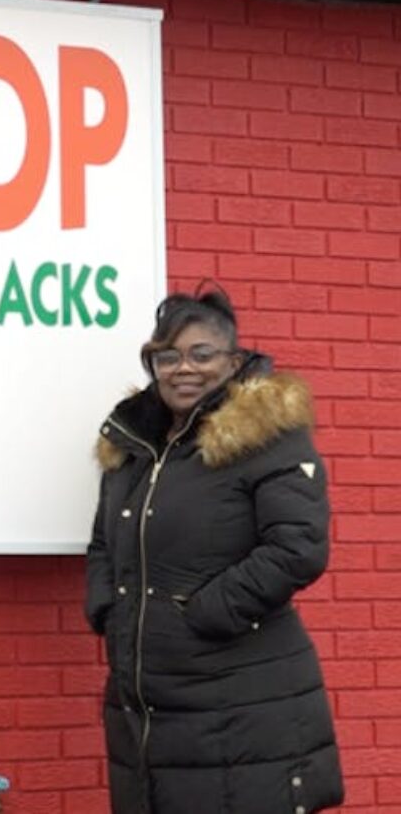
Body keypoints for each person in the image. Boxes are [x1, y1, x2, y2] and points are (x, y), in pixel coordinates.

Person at [84, 284, 343, 813]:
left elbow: (298, 546)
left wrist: (201, 614)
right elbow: (103, 543)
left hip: (241, 702)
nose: (184, 369)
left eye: (202, 354)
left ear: (233, 361)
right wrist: (108, 610)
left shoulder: (267, 437)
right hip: (147, 706)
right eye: (168, 356)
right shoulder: (136, 447)